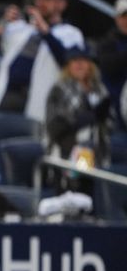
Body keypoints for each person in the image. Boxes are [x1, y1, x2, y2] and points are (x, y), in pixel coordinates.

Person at [0, 0, 84, 122]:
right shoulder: (22, 28)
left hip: (39, 102)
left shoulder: (71, 33)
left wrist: (46, 33)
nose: (41, 2)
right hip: (7, 96)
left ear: (62, 4)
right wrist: (3, 21)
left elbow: (68, 62)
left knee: (28, 142)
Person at [45, 46, 110, 196]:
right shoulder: (59, 89)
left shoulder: (99, 89)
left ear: (90, 65)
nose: (79, 64)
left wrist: (100, 117)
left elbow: (108, 124)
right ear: (68, 65)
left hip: (97, 153)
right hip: (65, 152)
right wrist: (84, 118)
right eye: (75, 61)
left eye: (84, 60)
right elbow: (54, 127)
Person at [97, 0, 127, 131]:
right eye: (124, 16)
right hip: (114, 111)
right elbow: (108, 66)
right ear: (117, 18)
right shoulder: (107, 42)